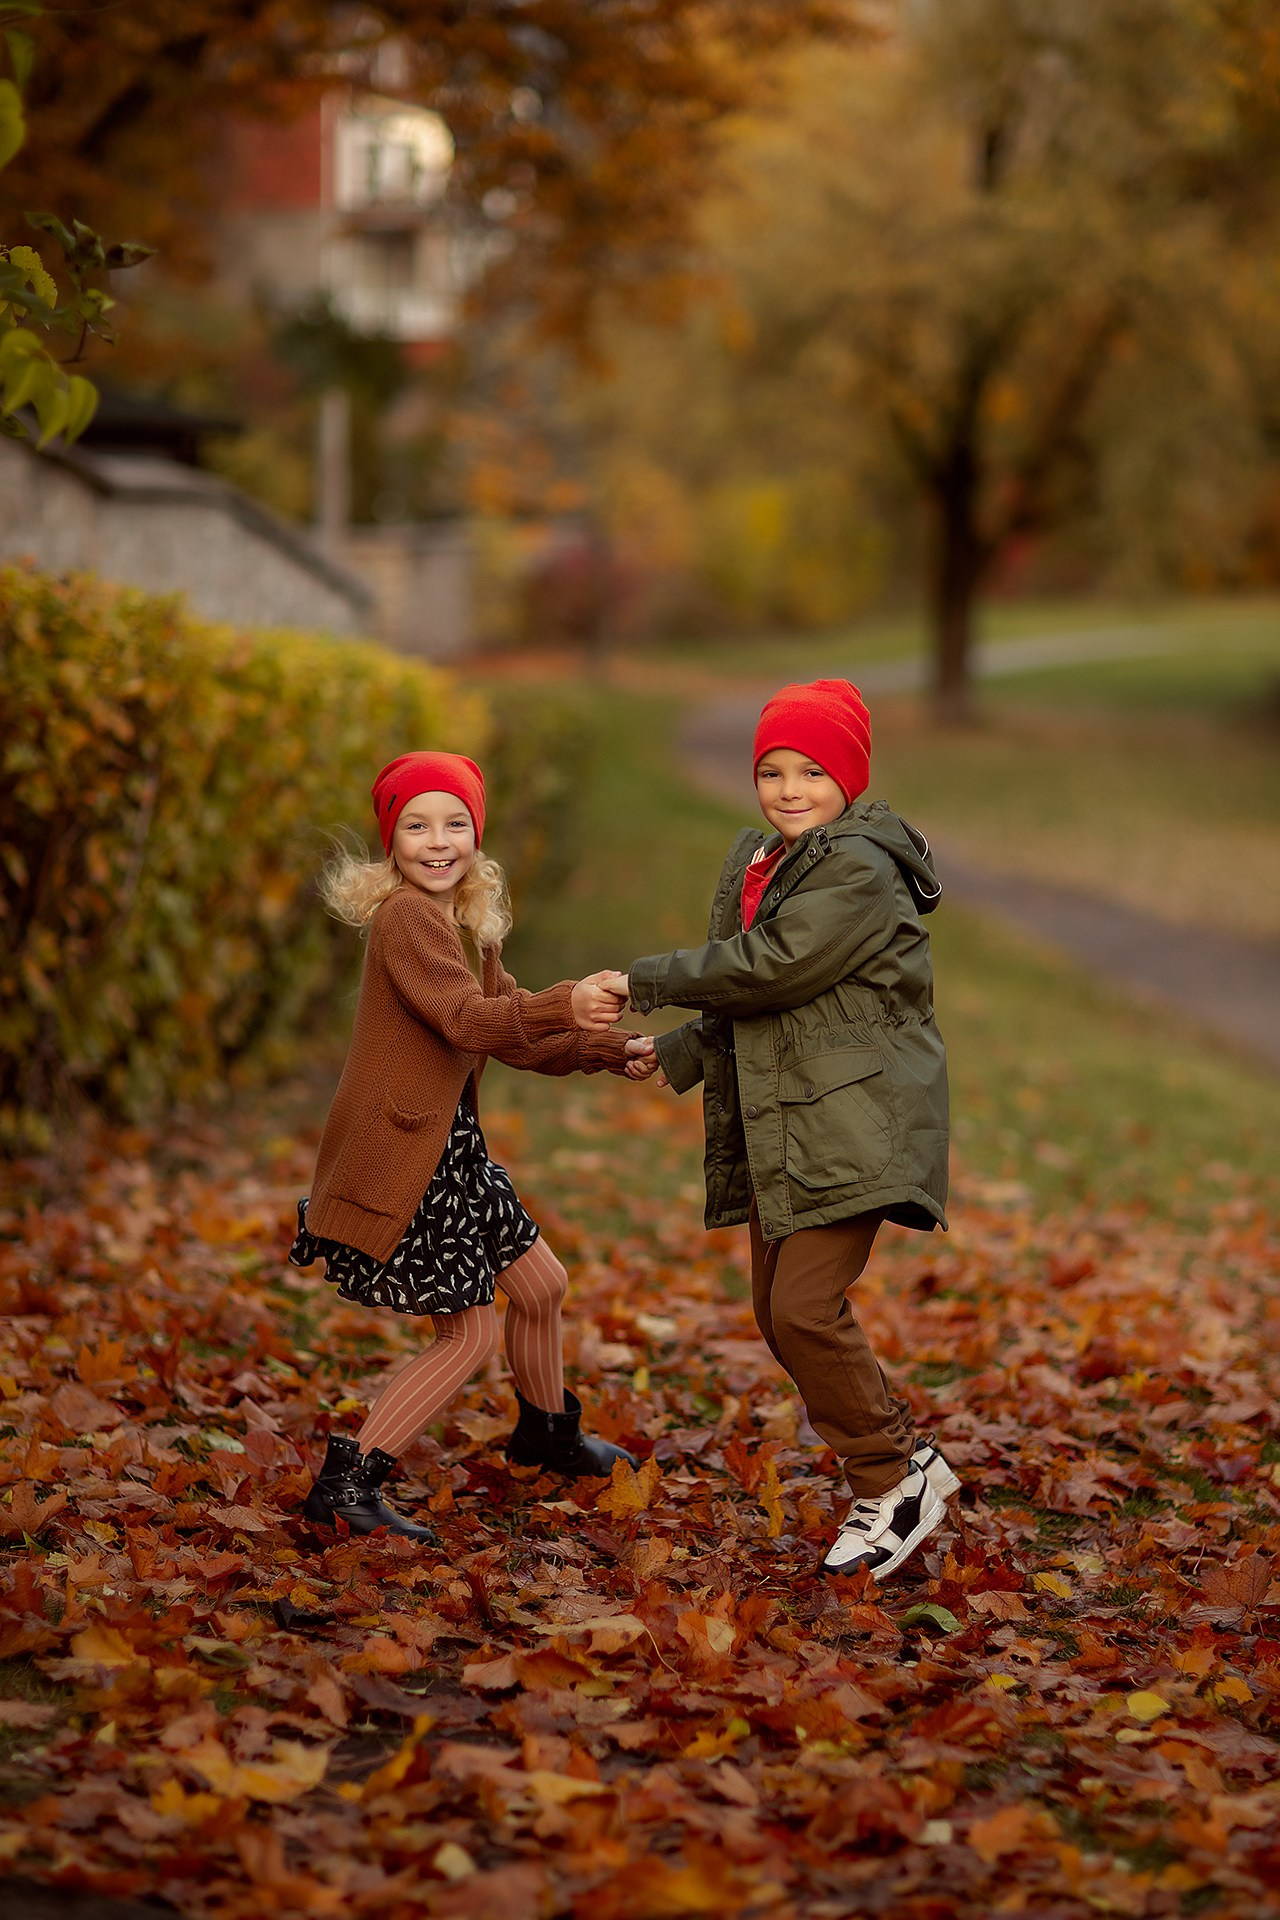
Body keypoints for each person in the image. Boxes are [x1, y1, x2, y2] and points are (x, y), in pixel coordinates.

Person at [613, 681, 959, 1579]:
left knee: (805, 1306)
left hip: (858, 1123)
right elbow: (781, 1005)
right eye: (772, 771)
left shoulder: (855, 869)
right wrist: (683, 1050)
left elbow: (777, 966)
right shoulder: (780, 863)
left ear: (849, 779)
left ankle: (889, 1481)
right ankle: (904, 1465)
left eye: (812, 770)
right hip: (798, 1122)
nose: (790, 788)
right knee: (777, 1312)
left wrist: (646, 979)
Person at [290, 749, 641, 1542]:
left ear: (478, 837)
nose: (437, 841)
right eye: (417, 825)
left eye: (455, 823)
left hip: (454, 1155)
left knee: (541, 1286)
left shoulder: (463, 925)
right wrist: (568, 999)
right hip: (409, 1162)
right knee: (470, 1331)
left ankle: (546, 1435)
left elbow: (512, 1023)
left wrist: (608, 1049)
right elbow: (466, 1021)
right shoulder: (407, 917)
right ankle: (346, 1486)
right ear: (392, 843)